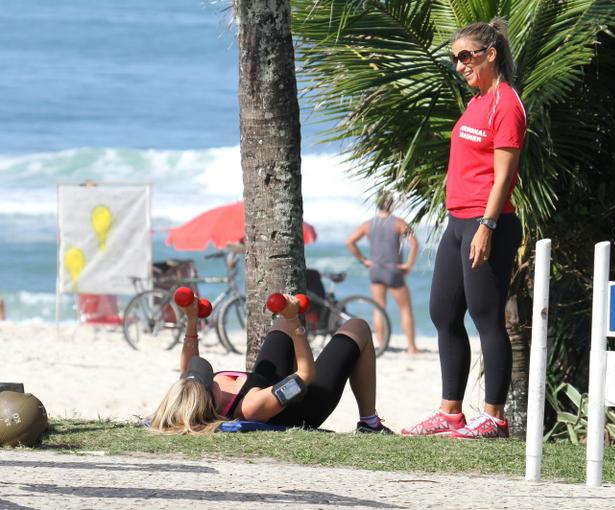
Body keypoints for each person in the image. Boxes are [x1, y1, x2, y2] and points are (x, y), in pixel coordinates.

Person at [401, 18, 526, 439]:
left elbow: (505, 176)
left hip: (487, 221)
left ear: (490, 54)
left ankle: (494, 417)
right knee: (442, 312)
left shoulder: (507, 104)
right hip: (459, 220)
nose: (459, 65)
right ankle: (450, 412)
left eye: (465, 56)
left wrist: (487, 225)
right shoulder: (477, 101)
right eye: (455, 58)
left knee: (487, 317)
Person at [149, 294, 393, 435]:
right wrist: (294, 321)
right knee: (358, 327)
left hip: (265, 382)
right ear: (205, 396)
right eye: (199, 378)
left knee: (280, 325)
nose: (194, 371)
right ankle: (369, 423)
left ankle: (287, 319)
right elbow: (305, 376)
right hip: (309, 402)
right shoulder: (252, 406)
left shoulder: (196, 391)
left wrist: (191, 319)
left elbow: (188, 365)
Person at [347, 191, 421, 354]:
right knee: (405, 309)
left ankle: (381, 345)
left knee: (379, 307)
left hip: (376, 270)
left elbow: (350, 241)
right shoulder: (399, 223)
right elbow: (414, 243)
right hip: (393, 270)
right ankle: (412, 347)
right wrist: (409, 264)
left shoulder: (368, 224)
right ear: (392, 204)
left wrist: (364, 260)